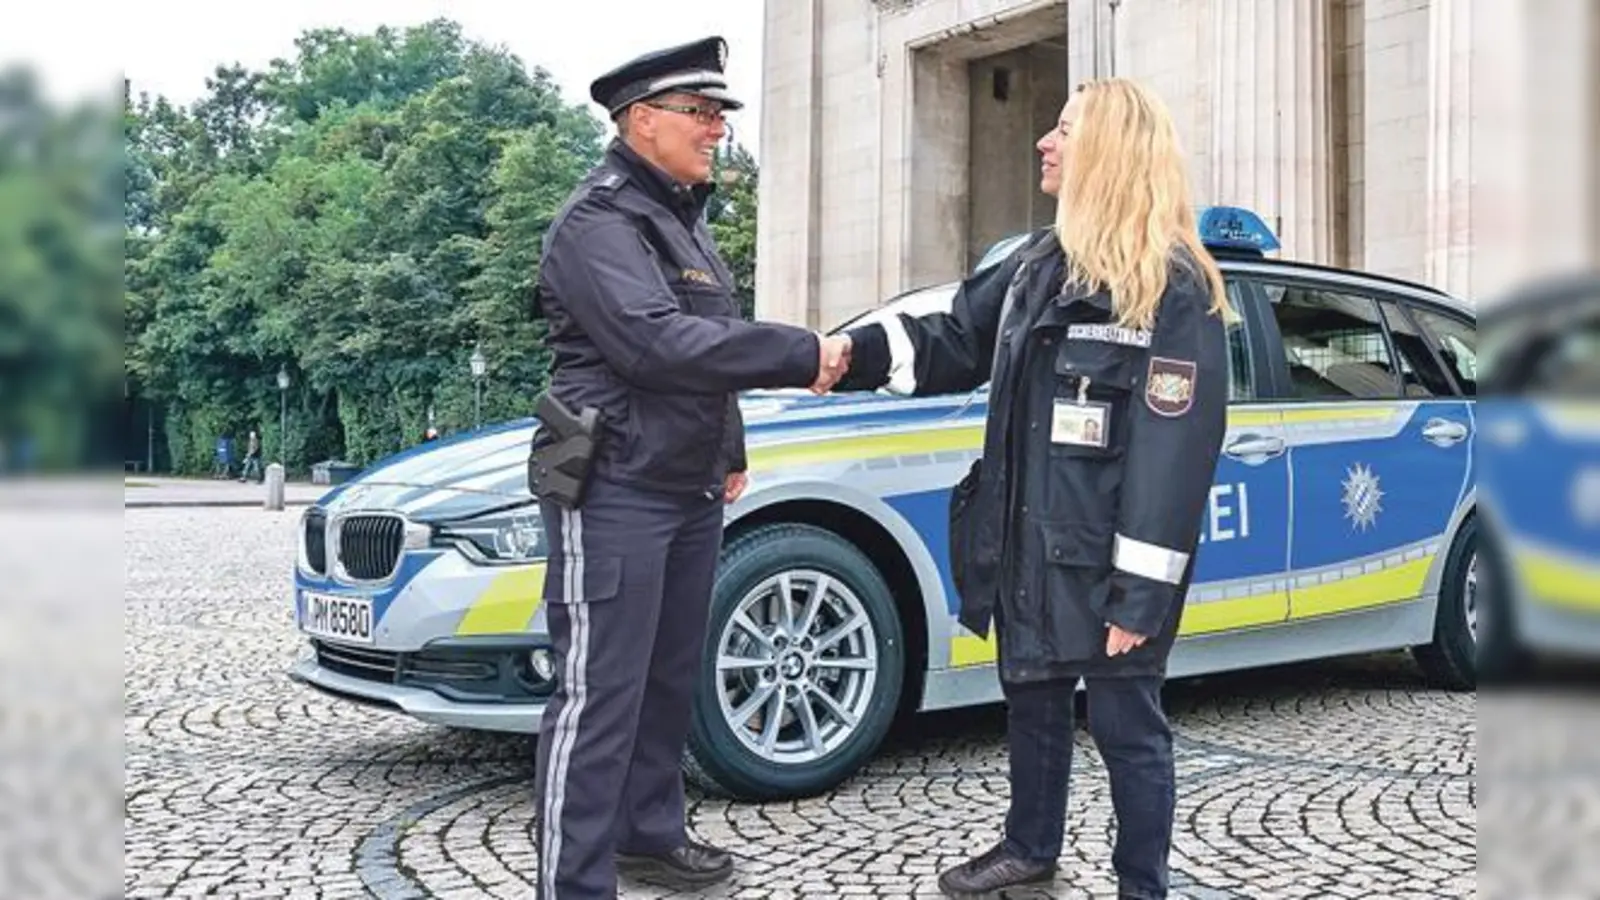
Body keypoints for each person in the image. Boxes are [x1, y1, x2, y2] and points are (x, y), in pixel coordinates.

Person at [823, 78, 1236, 899]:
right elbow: (949, 336)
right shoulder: (1035, 265)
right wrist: (844, 356)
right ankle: (1029, 846)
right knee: (1033, 702)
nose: (1045, 142)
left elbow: (1175, 452)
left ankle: (1141, 883)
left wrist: (1140, 597)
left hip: (1109, 558)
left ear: (1112, 152)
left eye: (1065, 129)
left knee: (1127, 726)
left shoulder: (1174, 286)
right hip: (1028, 540)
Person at [527, 36, 849, 900]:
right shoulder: (596, 222)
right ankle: (574, 881)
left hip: (685, 480)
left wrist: (729, 449)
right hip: (613, 484)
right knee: (599, 693)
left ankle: (649, 838)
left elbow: (708, 353)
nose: (716, 129)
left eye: (718, 114)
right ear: (641, 120)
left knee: (668, 681)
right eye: (700, 113)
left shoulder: (681, 219)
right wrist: (803, 352)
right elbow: (657, 344)